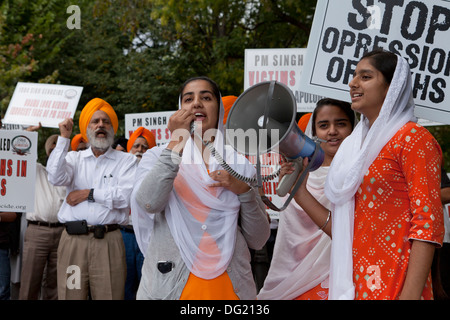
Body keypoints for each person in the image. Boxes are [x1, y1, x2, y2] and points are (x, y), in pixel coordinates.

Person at [290, 49, 444, 300]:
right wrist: (299, 190)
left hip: (398, 282)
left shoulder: (413, 139)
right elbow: (344, 231)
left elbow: (428, 224)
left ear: (391, 86)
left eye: (365, 76)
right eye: (353, 76)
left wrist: (410, 295)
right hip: (356, 282)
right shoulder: (354, 148)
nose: (353, 83)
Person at [130, 76, 269, 300]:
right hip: (171, 285)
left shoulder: (239, 163)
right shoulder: (156, 156)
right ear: (179, 109)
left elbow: (258, 238)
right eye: (188, 99)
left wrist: (243, 190)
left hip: (229, 286)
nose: (196, 103)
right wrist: (176, 143)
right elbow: (149, 202)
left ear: (218, 109)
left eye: (206, 97)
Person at [258, 98, 355, 300]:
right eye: (323, 125)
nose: (332, 131)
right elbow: (289, 239)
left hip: (340, 278)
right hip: (292, 281)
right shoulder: (300, 175)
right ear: (314, 133)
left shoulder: (361, 176)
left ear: (354, 128)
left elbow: (353, 234)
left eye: (341, 124)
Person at [46, 97, 137, 300]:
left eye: (105, 121)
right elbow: (54, 177)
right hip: (73, 245)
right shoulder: (73, 159)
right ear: (87, 129)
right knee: (71, 295)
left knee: (109, 296)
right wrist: (64, 138)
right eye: (95, 121)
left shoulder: (127, 161)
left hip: (108, 243)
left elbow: (125, 197)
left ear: (113, 128)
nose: (100, 125)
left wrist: (88, 194)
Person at [18, 135, 66, 300]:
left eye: (59, 149)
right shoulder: (36, 170)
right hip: (37, 231)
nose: (56, 153)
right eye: (52, 150)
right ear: (46, 152)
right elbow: (20, 153)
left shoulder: (69, 176)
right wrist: (26, 133)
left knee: (56, 284)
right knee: (30, 280)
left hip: (62, 232)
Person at [121, 126, 156, 300]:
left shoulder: (156, 172)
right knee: (125, 285)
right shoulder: (120, 171)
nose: (140, 150)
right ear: (130, 149)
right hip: (125, 234)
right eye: (136, 146)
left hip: (150, 234)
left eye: (145, 147)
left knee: (148, 284)